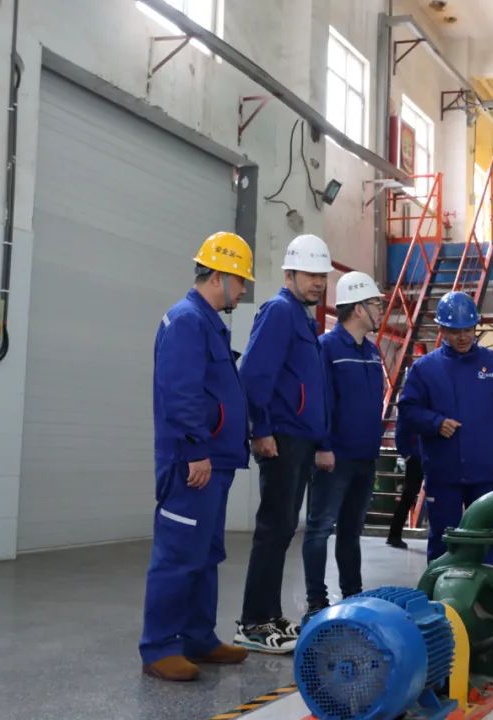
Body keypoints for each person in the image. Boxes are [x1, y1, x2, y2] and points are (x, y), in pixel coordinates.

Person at [140, 231, 255, 681]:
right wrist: (195, 451)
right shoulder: (187, 320)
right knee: (178, 555)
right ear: (219, 276)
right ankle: (159, 647)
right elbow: (181, 392)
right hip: (193, 463)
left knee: (206, 554)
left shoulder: (208, 322)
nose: (243, 291)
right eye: (240, 281)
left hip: (215, 461)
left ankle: (198, 637)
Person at [234, 234, 333, 653]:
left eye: (322, 276)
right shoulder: (279, 311)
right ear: (289, 273)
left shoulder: (301, 317)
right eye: (310, 274)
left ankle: (270, 614)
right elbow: (254, 375)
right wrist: (260, 429)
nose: (318, 283)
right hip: (282, 438)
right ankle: (253, 622)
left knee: (283, 530)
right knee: (273, 529)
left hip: (299, 439)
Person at [397, 291, 493, 563]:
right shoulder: (425, 369)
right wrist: (435, 423)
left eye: (468, 329)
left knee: (486, 539)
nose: (463, 337)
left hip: (487, 471)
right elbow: (408, 409)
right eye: (455, 331)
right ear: (442, 330)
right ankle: (441, 589)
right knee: (443, 541)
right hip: (443, 471)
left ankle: (485, 588)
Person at [302, 271, 385, 622]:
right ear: (358, 309)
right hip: (334, 457)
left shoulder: (372, 351)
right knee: (320, 528)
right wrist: (323, 446)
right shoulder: (327, 348)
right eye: (376, 304)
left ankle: (353, 594)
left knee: (351, 531)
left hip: (365, 457)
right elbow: (321, 401)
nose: (380, 310)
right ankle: (316, 601)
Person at [386, 410, 423, 550]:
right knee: (409, 496)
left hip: (421, 456)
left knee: (408, 496)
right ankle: (394, 535)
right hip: (417, 458)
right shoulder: (410, 407)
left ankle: (394, 536)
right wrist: (407, 455)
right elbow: (400, 432)